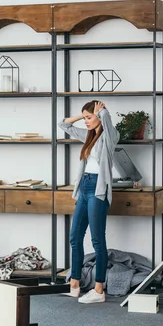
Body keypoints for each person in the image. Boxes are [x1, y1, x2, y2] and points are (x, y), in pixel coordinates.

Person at [59, 100, 119, 304]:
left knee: (97, 240)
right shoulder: (88, 135)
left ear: (100, 115)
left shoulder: (110, 137)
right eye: (84, 118)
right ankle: (74, 285)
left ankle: (99, 290)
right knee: (75, 236)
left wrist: (103, 112)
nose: (85, 121)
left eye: (88, 117)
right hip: (84, 187)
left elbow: (108, 124)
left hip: (98, 190)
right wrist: (83, 114)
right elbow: (63, 125)